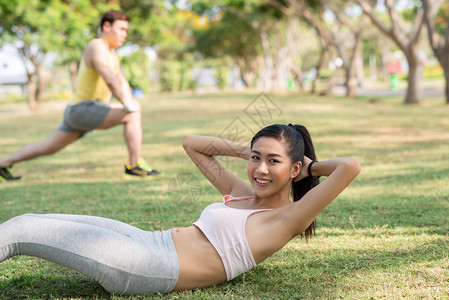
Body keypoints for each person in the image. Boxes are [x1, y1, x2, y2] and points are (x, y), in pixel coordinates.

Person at [0, 124, 361, 295]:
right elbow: (193, 144)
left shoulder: (287, 219)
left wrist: (309, 167)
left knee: (20, 230)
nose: (261, 170)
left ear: (295, 169)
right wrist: (249, 150)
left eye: (273, 162)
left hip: (148, 266)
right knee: (34, 220)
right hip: (147, 241)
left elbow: (350, 166)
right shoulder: (241, 193)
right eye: (256, 159)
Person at [0, 10, 160, 182]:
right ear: (106, 26)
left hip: (80, 111)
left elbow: (121, 82)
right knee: (133, 113)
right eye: (121, 29)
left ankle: (3, 164)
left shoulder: (112, 54)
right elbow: (109, 78)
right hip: (83, 109)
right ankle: (134, 164)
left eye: (126, 30)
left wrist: (130, 100)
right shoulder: (96, 47)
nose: (125, 34)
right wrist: (128, 105)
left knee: (48, 147)